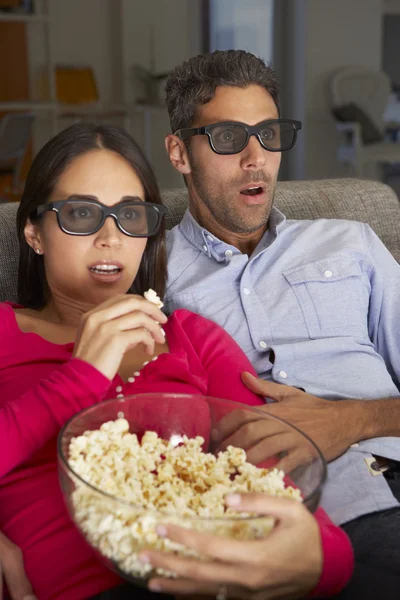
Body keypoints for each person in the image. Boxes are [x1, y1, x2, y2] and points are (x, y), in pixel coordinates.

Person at [0, 123, 352, 600]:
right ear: (34, 234)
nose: (110, 237)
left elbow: (284, 483)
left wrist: (322, 561)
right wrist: (82, 376)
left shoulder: (193, 337)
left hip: (207, 581)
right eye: (81, 214)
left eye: (130, 215)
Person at [163, 49, 400, 590]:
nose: (257, 158)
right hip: (323, 519)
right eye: (228, 137)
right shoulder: (148, 271)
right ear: (180, 152)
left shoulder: (349, 242)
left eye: (269, 134)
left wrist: (354, 420)